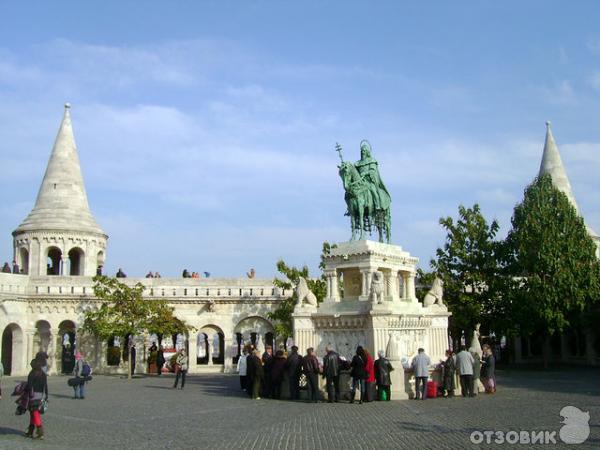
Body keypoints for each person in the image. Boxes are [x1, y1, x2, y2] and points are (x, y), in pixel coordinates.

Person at [354, 140, 390, 211]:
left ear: (367, 152)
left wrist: (365, 173)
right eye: (361, 151)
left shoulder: (372, 160)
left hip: (369, 181)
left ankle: (377, 205)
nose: (362, 152)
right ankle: (350, 208)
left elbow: (372, 171)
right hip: (360, 182)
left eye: (364, 151)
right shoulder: (357, 163)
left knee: (373, 190)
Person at [25, 359, 48, 439]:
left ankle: (40, 431)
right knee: (32, 413)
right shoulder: (43, 374)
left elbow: (29, 386)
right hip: (41, 396)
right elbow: (46, 386)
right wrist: (46, 396)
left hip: (33, 396)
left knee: (35, 413)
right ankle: (30, 431)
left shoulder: (32, 374)